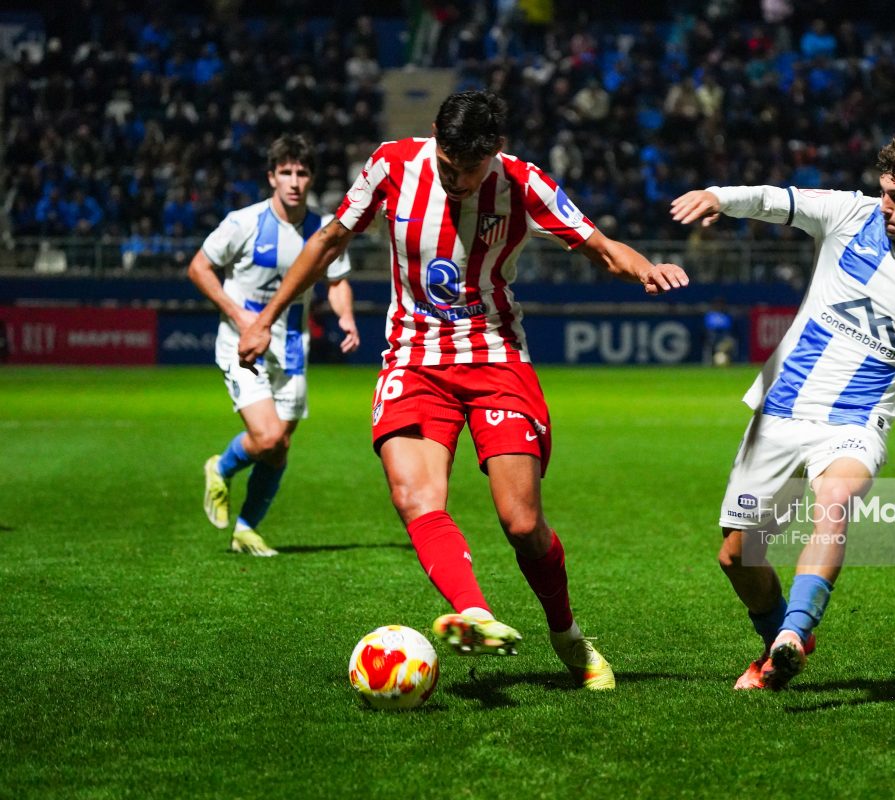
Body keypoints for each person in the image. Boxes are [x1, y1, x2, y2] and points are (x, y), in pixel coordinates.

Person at [237, 91, 688, 690]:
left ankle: (568, 635)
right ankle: (473, 612)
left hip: (495, 358)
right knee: (415, 496)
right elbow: (327, 241)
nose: (455, 180)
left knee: (522, 523)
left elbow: (602, 249)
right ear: (435, 136)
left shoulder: (523, 184)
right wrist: (266, 318)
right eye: (448, 165)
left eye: (468, 170)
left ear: (495, 150)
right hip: (414, 360)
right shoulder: (392, 165)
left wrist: (646, 268)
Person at [671, 130, 895, 691]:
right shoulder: (851, 215)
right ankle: (778, 642)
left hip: (857, 419)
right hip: (781, 409)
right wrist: (718, 196)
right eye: (884, 191)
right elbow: (776, 200)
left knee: (835, 500)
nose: (886, 206)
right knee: (736, 555)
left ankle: (795, 632)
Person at [188, 134, 360, 557]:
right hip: (243, 341)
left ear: (311, 178)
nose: (294, 181)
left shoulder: (324, 229)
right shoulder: (243, 223)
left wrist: (345, 316)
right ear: (271, 177)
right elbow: (199, 267)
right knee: (266, 439)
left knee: (280, 445)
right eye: (286, 172)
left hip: (293, 346)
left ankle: (246, 529)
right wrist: (238, 314)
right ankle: (220, 467)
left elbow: (337, 280)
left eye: (302, 173)